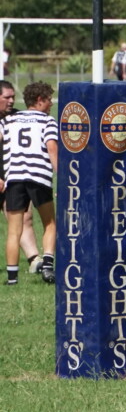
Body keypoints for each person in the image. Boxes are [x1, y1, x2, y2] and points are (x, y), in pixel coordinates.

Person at [1, 82, 58, 285]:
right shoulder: (48, 121)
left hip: (14, 177)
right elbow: (52, 149)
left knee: (14, 231)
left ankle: (12, 278)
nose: (52, 103)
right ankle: (48, 266)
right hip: (38, 177)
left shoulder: (8, 120)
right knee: (49, 223)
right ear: (39, 100)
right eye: (49, 99)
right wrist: (62, 178)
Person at [0, 81, 44, 274]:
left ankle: (35, 260)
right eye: (6, 97)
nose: (11, 101)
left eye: (13, 97)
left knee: (24, 217)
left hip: (12, 179)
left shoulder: (17, 117)